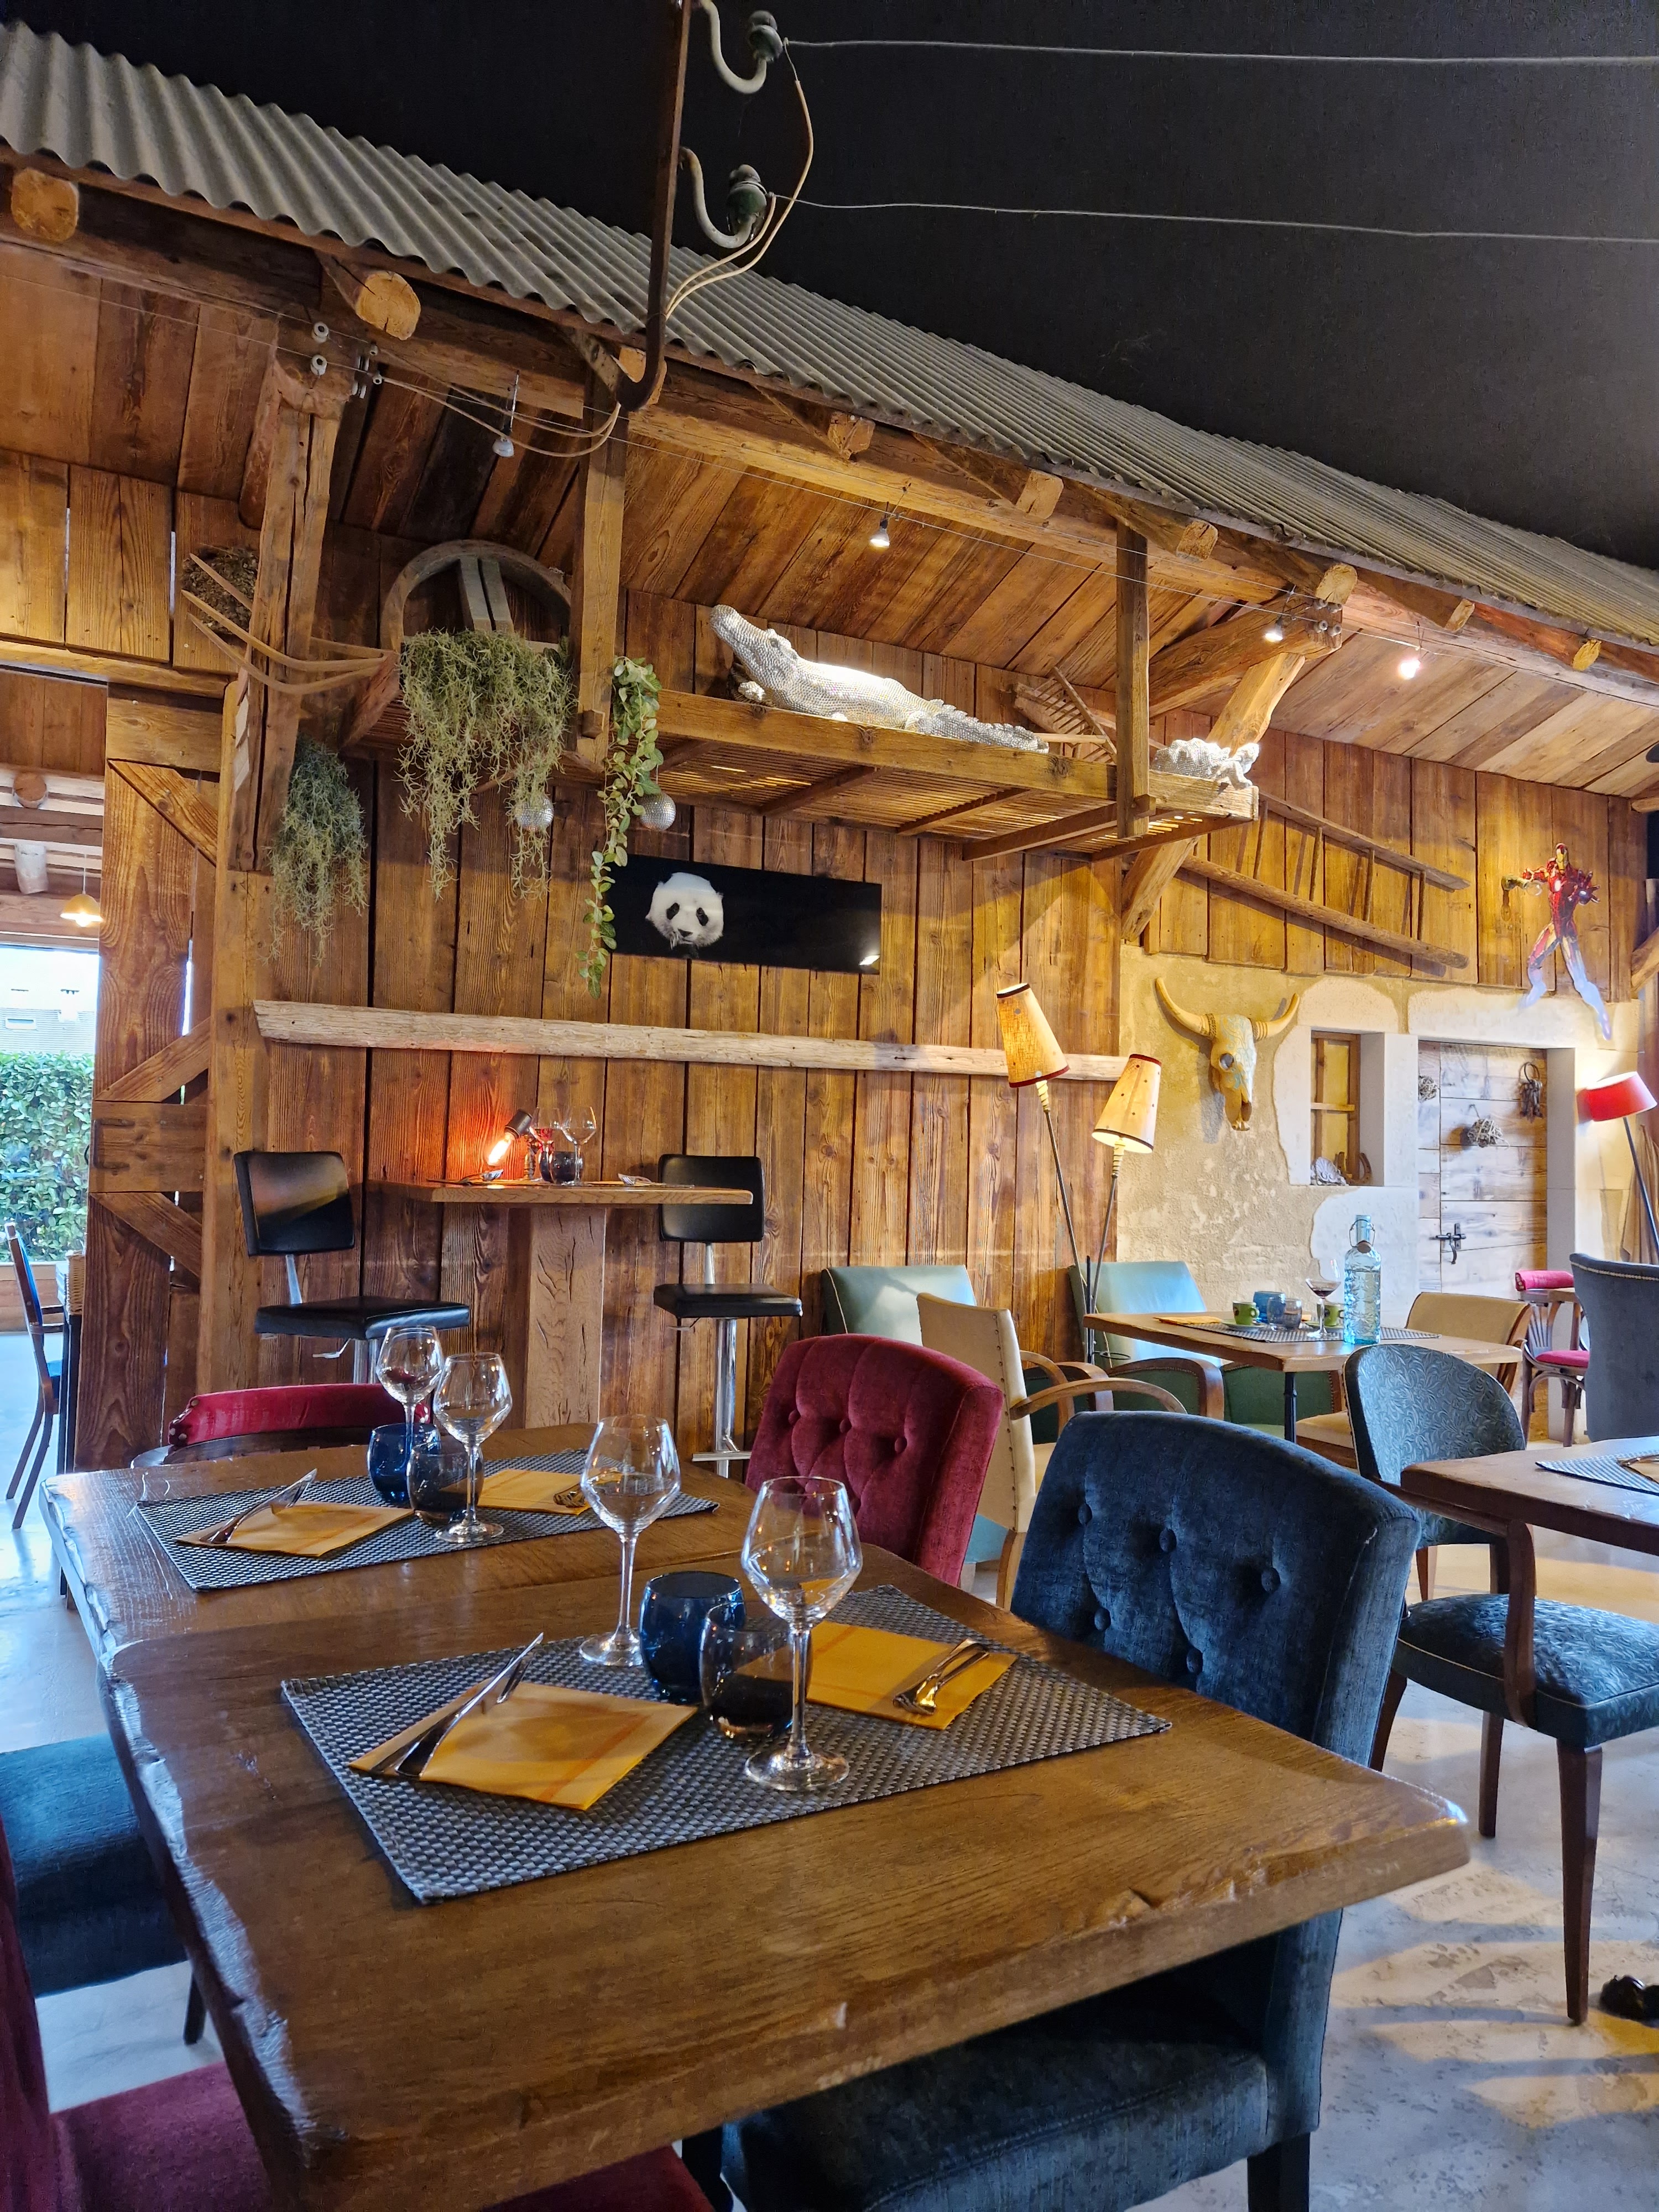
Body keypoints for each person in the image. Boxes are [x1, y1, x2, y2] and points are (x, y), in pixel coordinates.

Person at [1503, 842, 1611, 1040]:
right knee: (1533, 962)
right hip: (1554, 927)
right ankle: (1538, 987)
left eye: (1564, 858)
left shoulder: (1575, 877)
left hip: (1567, 929)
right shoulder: (1552, 871)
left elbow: (1584, 895)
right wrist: (1529, 876)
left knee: (1581, 982)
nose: (1561, 862)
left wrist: (1584, 894)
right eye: (1559, 858)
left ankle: (1601, 1012)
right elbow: (1540, 875)